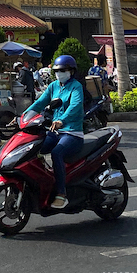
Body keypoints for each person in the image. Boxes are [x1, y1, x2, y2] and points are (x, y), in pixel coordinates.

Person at [26, 54, 85, 209]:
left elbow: (75, 105)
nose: (60, 73)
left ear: (71, 71)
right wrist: (22, 117)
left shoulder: (76, 86)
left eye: (63, 70)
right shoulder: (53, 86)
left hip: (72, 132)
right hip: (54, 132)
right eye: (57, 70)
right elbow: (39, 103)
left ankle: (61, 193)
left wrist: (61, 120)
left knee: (56, 153)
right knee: (34, 149)